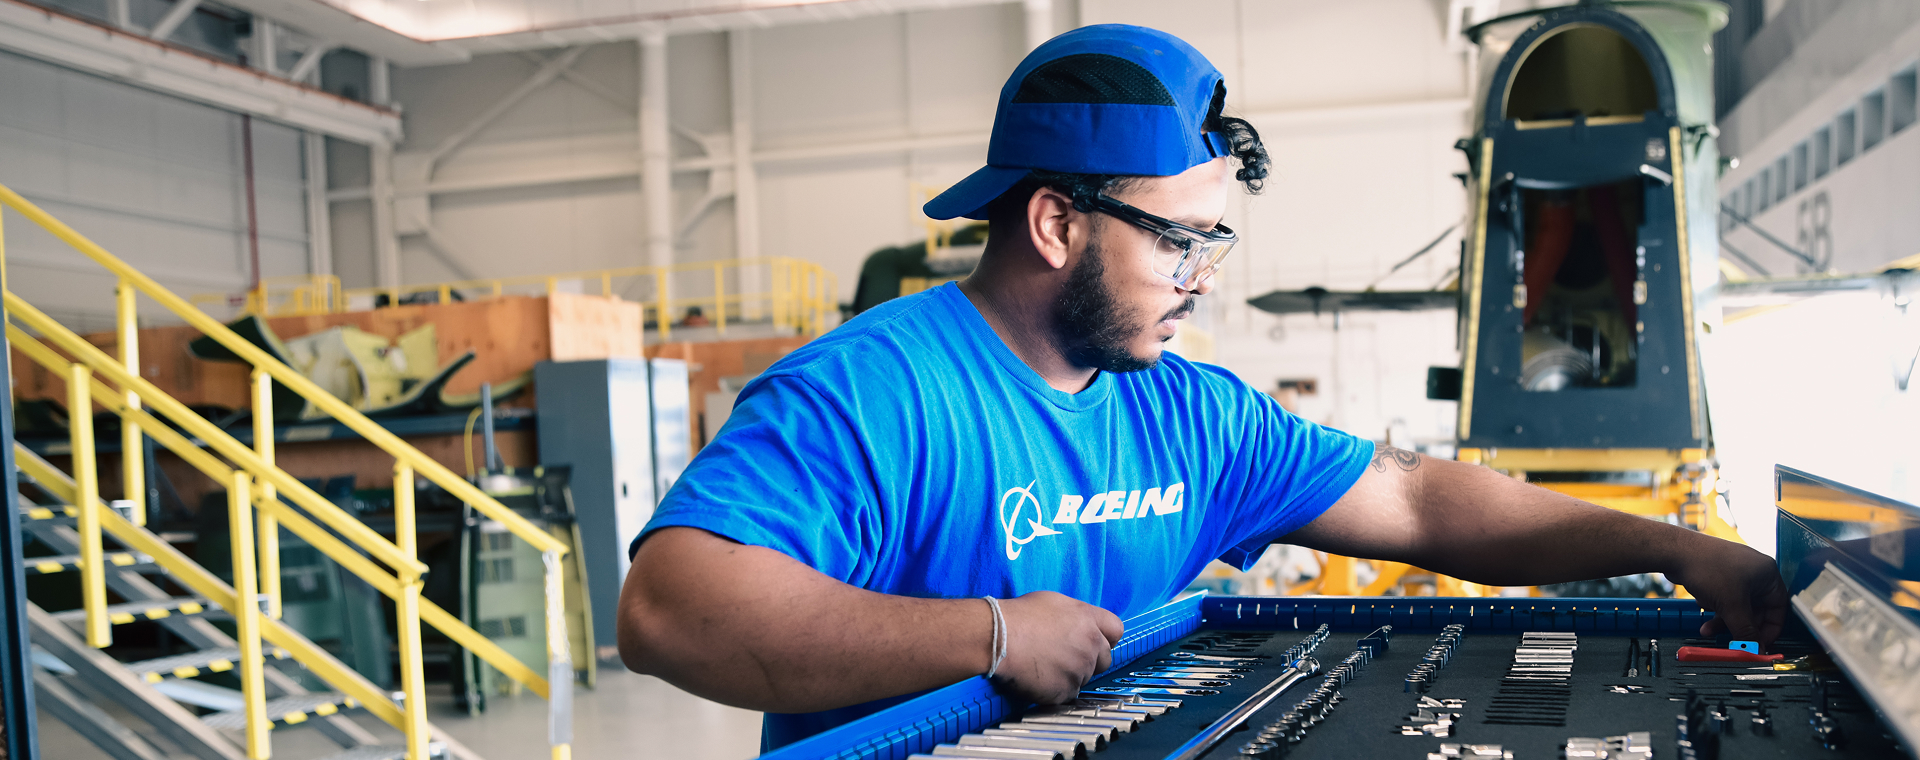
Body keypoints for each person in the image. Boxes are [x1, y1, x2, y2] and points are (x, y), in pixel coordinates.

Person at [616, 24, 1787, 751]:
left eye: (1212, 244)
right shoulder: (870, 396)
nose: (1201, 282)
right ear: (1055, 220)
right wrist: (985, 635)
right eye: (1181, 241)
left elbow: (1422, 505)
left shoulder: (1188, 414)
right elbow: (669, 610)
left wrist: (1678, 546)